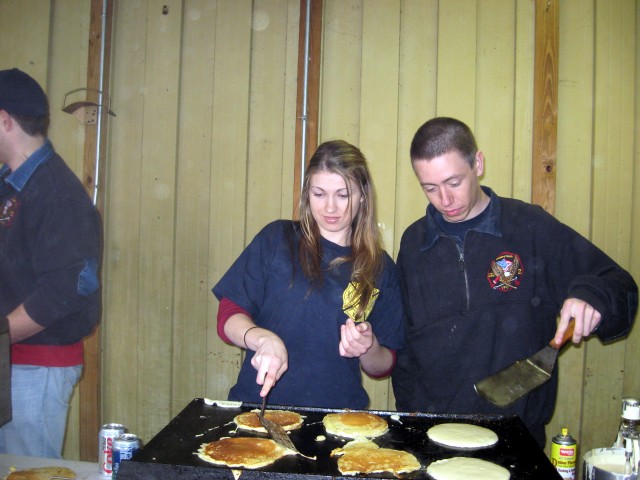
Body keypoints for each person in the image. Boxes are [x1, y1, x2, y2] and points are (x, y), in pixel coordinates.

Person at [391, 116, 638, 448]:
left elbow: (617, 283)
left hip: (517, 434)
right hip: (432, 433)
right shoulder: (414, 243)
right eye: (430, 188)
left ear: (477, 163)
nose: (444, 200)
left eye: (453, 182)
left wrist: (591, 296)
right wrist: (411, 416)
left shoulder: (529, 227)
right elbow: (406, 344)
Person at [212, 140, 404, 408]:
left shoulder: (379, 266)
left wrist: (367, 346)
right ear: (307, 194)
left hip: (338, 415)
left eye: (343, 195)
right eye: (319, 194)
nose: (330, 208)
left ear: (363, 195)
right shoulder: (277, 239)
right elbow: (228, 314)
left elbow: (383, 365)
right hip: (261, 408)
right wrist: (262, 339)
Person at [0, 68, 102, 457]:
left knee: (29, 472)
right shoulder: (11, 184)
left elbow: (65, 291)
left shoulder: (56, 194)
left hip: (36, 366)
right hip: (11, 358)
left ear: (4, 119)